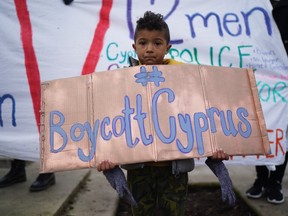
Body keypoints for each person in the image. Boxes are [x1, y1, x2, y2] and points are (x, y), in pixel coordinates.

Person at [97, 11, 231, 216]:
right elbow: (112, 121)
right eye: (143, 43)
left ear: (167, 48)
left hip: (174, 169)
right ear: (135, 47)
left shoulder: (186, 80)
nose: (149, 49)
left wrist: (215, 150)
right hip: (138, 170)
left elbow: (200, 116)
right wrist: (107, 157)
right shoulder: (120, 82)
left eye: (157, 43)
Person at [246, 0, 288, 204]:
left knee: (282, 131)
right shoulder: (254, 8)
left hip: (282, 83)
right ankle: (261, 178)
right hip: (263, 77)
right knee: (262, 127)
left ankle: (275, 182)